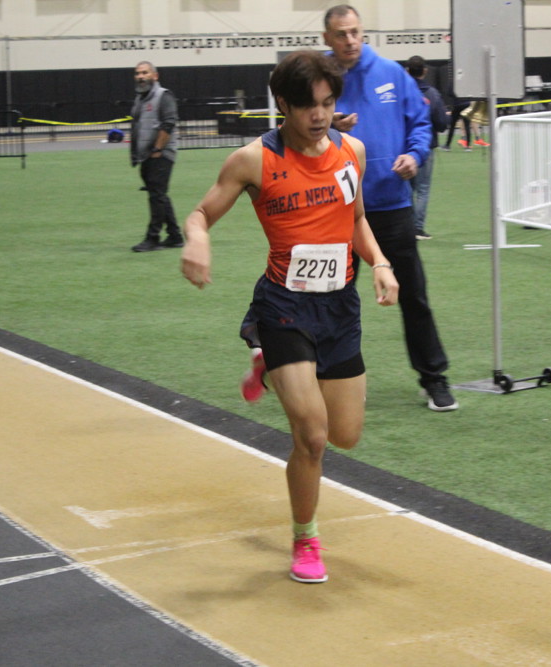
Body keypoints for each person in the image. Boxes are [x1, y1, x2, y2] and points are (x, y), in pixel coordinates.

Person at [180, 49, 399, 583]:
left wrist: (380, 262)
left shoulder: (352, 151)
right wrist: (196, 241)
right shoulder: (253, 160)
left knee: (346, 435)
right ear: (283, 104)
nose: (319, 115)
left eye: (327, 103)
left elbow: (356, 220)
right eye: (308, 106)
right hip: (284, 307)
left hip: (339, 307)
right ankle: (306, 538)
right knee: (313, 436)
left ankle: (266, 364)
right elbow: (201, 213)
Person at [322, 4, 459, 411]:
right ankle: (329, 378)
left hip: (392, 205)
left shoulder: (392, 74)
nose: (350, 40)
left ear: (363, 32)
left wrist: (415, 156)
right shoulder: (317, 78)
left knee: (414, 295)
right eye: (341, 34)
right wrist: (329, 128)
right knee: (333, 298)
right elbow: (295, 131)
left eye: (355, 32)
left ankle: (434, 378)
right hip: (338, 208)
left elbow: (421, 123)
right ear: (327, 38)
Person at [129, 61, 183, 252]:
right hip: (146, 155)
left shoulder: (163, 96)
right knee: (159, 195)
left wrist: (157, 149)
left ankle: (152, 238)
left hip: (160, 155)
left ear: (155, 76)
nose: (140, 76)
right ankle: (175, 236)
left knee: (156, 196)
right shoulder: (140, 98)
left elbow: (169, 123)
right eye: (138, 73)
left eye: (145, 73)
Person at [406, 55, 448, 240]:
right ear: (425, 71)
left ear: (407, 71)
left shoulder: (402, 92)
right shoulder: (432, 94)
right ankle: (417, 228)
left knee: (407, 189)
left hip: (404, 146)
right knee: (423, 189)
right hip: (425, 146)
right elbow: (441, 123)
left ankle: (407, 227)